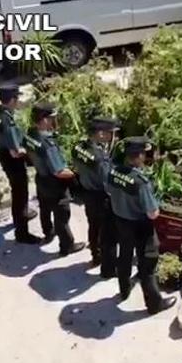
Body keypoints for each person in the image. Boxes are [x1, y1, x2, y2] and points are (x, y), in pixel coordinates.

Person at [106, 136, 176, 314]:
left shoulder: (113, 172)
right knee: (147, 264)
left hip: (120, 220)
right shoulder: (141, 182)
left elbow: (108, 191)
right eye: (144, 153)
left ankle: (124, 290)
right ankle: (154, 303)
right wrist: (156, 199)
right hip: (140, 226)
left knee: (125, 254)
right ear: (139, 156)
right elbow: (153, 213)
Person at [24, 102, 85, 256]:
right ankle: (67, 246)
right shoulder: (48, 145)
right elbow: (58, 172)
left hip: (41, 178)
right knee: (61, 215)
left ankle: (48, 232)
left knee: (45, 208)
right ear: (44, 120)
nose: (54, 121)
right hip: (54, 184)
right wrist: (75, 174)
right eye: (52, 118)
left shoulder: (30, 134)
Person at [0, 85, 40, 244]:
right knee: (20, 194)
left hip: (2, 153)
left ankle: (20, 216)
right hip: (12, 159)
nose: (19, 101)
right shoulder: (8, 122)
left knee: (17, 191)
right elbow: (15, 152)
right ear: (12, 100)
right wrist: (33, 153)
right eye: (17, 98)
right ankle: (22, 232)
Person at [72, 116, 118, 276]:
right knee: (108, 234)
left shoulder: (79, 148)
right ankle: (109, 269)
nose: (112, 136)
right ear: (100, 133)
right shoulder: (100, 157)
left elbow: (76, 168)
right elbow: (108, 182)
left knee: (93, 226)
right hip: (101, 196)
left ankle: (95, 256)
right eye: (110, 133)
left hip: (87, 193)